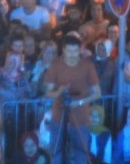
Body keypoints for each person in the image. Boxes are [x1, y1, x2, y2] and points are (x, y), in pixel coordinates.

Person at [41, 34, 101, 164]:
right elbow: (48, 92)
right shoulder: (56, 64)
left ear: (80, 50)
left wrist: (79, 102)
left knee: (81, 151)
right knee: (56, 150)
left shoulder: (87, 65)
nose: (72, 55)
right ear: (63, 50)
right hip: (59, 114)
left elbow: (97, 93)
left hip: (81, 116)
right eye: (69, 51)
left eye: (75, 51)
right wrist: (59, 91)